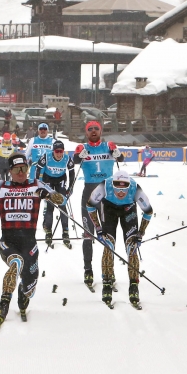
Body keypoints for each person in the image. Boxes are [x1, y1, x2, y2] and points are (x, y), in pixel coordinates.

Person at [0, 133, 66, 330]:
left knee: (29, 286)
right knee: (16, 264)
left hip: (29, 244)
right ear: (10, 171)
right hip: (8, 242)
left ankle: (23, 294)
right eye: (17, 169)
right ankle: (3, 303)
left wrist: (50, 195)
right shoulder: (0, 187)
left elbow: (62, 201)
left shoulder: (35, 185)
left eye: (24, 169)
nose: (21, 173)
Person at [87, 170, 153, 307]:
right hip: (109, 210)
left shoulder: (135, 188)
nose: (121, 193)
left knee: (132, 247)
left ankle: (134, 285)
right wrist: (98, 229)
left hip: (128, 211)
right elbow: (90, 205)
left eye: (124, 190)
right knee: (108, 245)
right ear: (113, 185)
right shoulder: (105, 186)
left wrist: (140, 233)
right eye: (118, 190)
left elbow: (148, 211)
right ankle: (106, 283)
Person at [73, 120, 124, 289]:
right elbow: (74, 161)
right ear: (86, 132)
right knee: (88, 234)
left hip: (107, 194)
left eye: (96, 129)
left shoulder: (108, 145)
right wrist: (78, 156)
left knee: (107, 235)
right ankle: (88, 270)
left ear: (101, 131)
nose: (93, 131)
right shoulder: (82, 147)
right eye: (90, 129)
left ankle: (108, 270)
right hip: (89, 194)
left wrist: (116, 152)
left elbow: (121, 158)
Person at [35, 140, 75, 246]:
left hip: (60, 180)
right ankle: (48, 230)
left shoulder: (67, 158)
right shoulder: (46, 157)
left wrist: (70, 187)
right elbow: (38, 170)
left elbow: (72, 173)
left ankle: (65, 231)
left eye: (61, 151)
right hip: (48, 180)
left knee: (62, 205)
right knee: (50, 206)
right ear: (53, 151)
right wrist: (38, 185)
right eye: (56, 151)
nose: (59, 153)